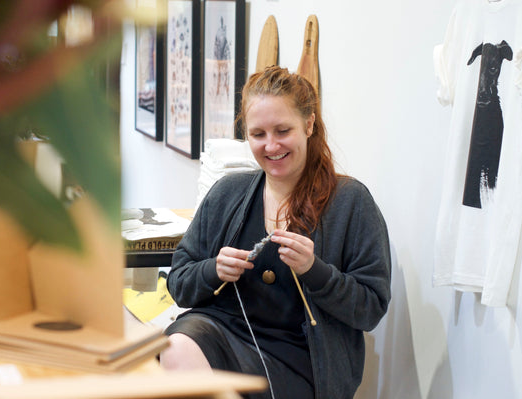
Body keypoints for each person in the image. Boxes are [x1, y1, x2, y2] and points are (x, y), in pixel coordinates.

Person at [159, 66, 391, 399]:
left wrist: (316, 272)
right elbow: (179, 283)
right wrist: (213, 270)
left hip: (302, 360)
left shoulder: (350, 203)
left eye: (283, 130)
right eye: (258, 134)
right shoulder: (227, 193)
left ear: (309, 124)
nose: (271, 146)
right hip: (221, 331)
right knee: (177, 347)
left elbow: (371, 308)